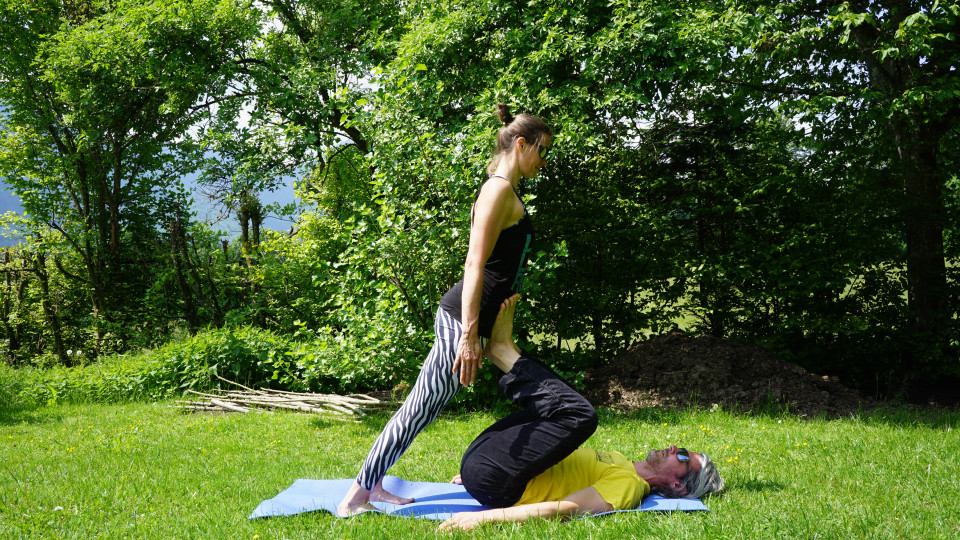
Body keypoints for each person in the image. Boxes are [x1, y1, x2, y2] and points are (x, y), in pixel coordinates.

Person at [338, 104, 554, 516]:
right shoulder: (497, 191)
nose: (543, 162)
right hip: (461, 321)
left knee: (425, 405)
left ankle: (373, 485)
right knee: (421, 405)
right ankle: (359, 495)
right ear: (521, 144)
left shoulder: (504, 190)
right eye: (541, 151)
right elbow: (473, 264)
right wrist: (470, 335)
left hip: (473, 322)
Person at [439, 295, 724, 532]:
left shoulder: (630, 486)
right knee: (563, 406)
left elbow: (566, 509)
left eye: (684, 456)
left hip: (498, 481)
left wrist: (481, 517)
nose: (675, 448)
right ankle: (507, 349)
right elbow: (550, 452)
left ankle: (504, 351)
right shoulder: (620, 461)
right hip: (491, 465)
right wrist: (500, 461)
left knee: (582, 416)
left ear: (678, 485)